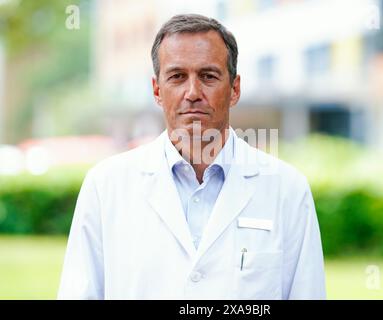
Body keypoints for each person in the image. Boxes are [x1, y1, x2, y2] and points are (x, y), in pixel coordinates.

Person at [58, 13, 326, 300]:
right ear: (157, 90)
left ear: (234, 89)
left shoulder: (288, 190)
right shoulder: (105, 186)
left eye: (208, 76)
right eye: (177, 77)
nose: (192, 92)